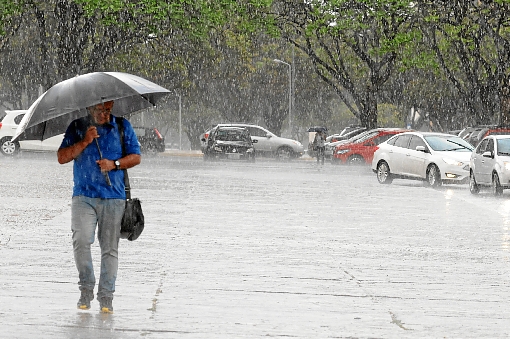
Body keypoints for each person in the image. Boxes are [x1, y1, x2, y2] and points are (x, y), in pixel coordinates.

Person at [57, 100, 141, 313]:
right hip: (83, 196)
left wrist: (115, 164)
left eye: (108, 110)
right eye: (100, 110)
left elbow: (136, 157)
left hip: (114, 197)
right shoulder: (77, 127)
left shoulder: (122, 126)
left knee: (109, 248)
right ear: (89, 109)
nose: (104, 114)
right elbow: (62, 157)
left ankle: (106, 296)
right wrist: (85, 141)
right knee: (81, 240)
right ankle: (86, 288)